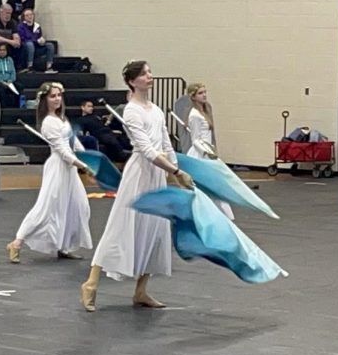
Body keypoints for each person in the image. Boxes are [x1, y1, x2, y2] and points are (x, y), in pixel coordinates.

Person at [81, 60, 194, 313]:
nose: (149, 77)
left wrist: (175, 172)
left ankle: (141, 290)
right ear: (132, 81)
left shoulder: (156, 110)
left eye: (150, 72)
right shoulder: (132, 110)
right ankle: (91, 283)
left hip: (157, 173)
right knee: (121, 226)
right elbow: (145, 148)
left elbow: (165, 142)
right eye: (144, 74)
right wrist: (175, 171)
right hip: (139, 174)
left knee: (155, 230)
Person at [6, 82, 92, 263]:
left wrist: (88, 158)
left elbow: (73, 142)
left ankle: (64, 246)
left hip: (69, 169)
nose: (57, 99)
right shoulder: (48, 123)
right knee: (46, 208)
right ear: (45, 100)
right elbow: (62, 149)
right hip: (58, 168)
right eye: (53, 96)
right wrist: (81, 164)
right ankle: (17, 242)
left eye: (59, 95)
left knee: (78, 206)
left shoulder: (62, 119)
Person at [185, 83, 233, 219]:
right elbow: (195, 139)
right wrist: (206, 152)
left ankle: (218, 212)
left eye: (205, 92)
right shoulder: (194, 115)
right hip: (200, 153)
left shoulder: (204, 112)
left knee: (215, 184)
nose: (204, 95)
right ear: (193, 96)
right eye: (200, 93)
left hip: (208, 151)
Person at [18, 8, 55, 73]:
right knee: (30, 44)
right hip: (25, 48)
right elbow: (23, 38)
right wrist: (36, 40)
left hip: (36, 47)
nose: (30, 16)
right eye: (27, 15)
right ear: (24, 17)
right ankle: (30, 66)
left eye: (31, 14)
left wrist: (41, 41)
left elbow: (39, 36)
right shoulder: (21, 26)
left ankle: (49, 67)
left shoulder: (37, 26)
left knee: (50, 45)